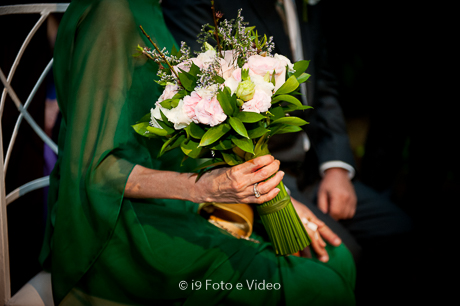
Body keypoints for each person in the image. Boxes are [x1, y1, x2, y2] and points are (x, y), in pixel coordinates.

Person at [39, 0, 356, 305]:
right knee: (322, 287)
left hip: (174, 200)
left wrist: (271, 194)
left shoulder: (154, 8)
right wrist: (206, 187)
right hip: (120, 221)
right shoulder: (112, 10)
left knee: (337, 257)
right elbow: (96, 170)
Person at [161, 0, 414, 304]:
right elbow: (201, 95)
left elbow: (323, 83)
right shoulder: (210, 5)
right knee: (342, 259)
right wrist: (269, 192)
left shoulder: (311, 6)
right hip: (259, 174)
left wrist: (336, 167)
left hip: (316, 167)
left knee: (400, 232)